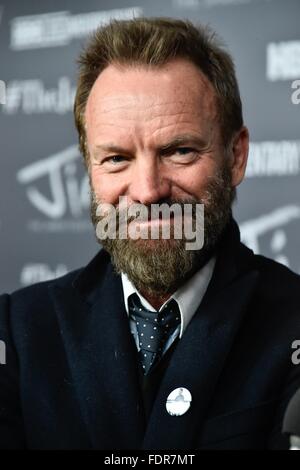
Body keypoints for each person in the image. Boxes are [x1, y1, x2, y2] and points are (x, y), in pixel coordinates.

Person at [0, 17, 300, 450]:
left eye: (179, 151)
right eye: (117, 158)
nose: (147, 191)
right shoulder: (18, 333)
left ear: (236, 157)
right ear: (89, 169)